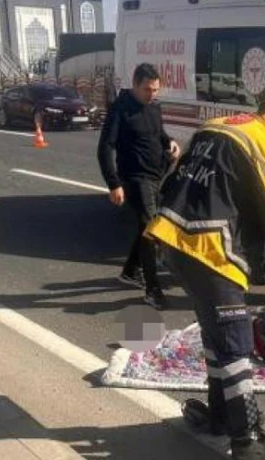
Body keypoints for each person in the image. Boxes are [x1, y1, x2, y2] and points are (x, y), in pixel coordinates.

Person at [144, 89, 265, 460]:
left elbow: (178, 176)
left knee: (216, 337)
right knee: (235, 342)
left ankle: (220, 417)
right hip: (210, 248)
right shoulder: (260, 141)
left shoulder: (216, 125)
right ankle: (246, 440)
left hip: (173, 239)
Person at [97, 63, 181, 310]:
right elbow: (105, 148)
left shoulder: (154, 107)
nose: (152, 94)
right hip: (134, 177)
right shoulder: (120, 110)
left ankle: (131, 270)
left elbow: (158, 134)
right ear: (134, 85)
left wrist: (170, 142)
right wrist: (114, 183)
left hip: (157, 174)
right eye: (147, 89)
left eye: (155, 89)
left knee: (147, 227)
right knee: (151, 229)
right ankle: (152, 290)